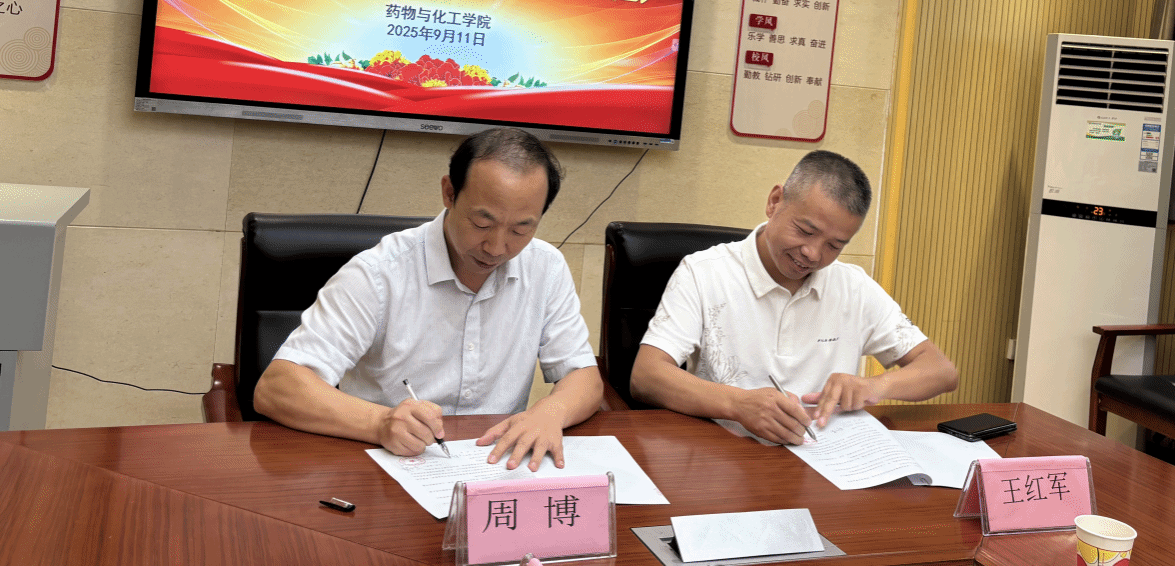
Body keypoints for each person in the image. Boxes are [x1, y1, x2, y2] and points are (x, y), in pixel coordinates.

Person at [253, 127, 603, 470]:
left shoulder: (545, 268)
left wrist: (551, 412)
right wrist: (380, 423)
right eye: (482, 224)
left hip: (493, 467)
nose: (497, 247)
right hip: (381, 467)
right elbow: (277, 388)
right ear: (449, 193)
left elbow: (584, 377)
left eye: (520, 229)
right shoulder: (379, 273)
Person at [629, 150, 958, 444]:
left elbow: (941, 371)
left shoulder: (853, 287)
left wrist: (874, 387)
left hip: (824, 460)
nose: (813, 253)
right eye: (805, 231)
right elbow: (646, 376)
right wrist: (738, 404)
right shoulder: (705, 273)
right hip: (725, 455)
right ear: (775, 202)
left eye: (834, 245)